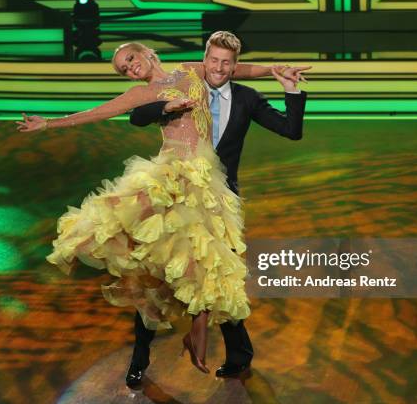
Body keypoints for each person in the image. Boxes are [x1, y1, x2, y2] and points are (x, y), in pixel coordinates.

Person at [16, 40, 309, 383]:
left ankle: (226, 348)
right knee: (157, 270)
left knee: (214, 268)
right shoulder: (143, 94)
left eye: (130, 59)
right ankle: (142, 357)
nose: (129, 67)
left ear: (147, 52)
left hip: (213, 189)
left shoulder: (191, 70)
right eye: (123, 68)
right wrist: (50, 123)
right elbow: (102, 111)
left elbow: (234, 68)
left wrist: (274, 71)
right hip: (171, 183)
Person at [126, 31, 308, 386]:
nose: (219, 68)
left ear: (234, 66)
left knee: (221, 279)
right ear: (204, 59)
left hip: (220, 201)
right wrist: (165, 108)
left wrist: (291, 89)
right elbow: (136, 115)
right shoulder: (180, 87)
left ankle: (239, 357)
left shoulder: (247, 99)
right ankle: (139, 360)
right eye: (213, 60)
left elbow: (291, 130)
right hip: (176, 199)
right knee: (157, 279)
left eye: (227, 63)